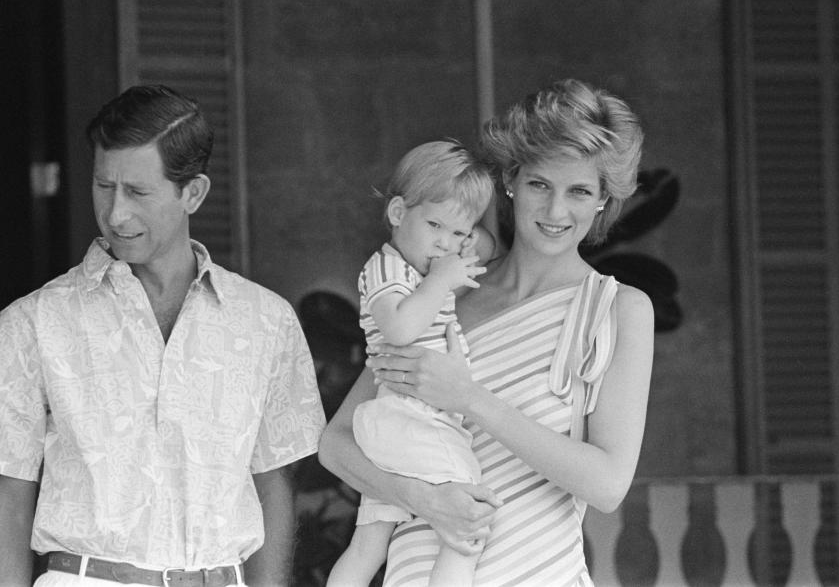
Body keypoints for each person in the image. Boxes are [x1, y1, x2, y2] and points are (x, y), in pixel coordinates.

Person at [318, 78, 654, 586]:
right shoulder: (444, 290)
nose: (556, 211)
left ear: (604, 200)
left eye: (580, 191)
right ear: (512, 180)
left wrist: (467, 397)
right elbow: (336, 443)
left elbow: (607, 485)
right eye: (540, 184)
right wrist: (423, 499)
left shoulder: (618, 310)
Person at [0, 84, 326, 586]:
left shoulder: (266, 321)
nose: (115, 214)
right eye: (103, 186)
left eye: (138, 192)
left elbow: (274, 483)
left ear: (192, 192)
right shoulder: (35, 322)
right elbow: (10, 493)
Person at [327, 141, 495, 587]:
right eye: (434, 224)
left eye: (459, 233)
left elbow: (484, 248)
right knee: (469, 524)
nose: (446, 243)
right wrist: (441, 279)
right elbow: (399, 329)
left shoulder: (418, 275)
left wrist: (446, 270)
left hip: (400, 422)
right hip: (411, 418)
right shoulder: (387, 270)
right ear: (399, 213)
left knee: (368, 545)